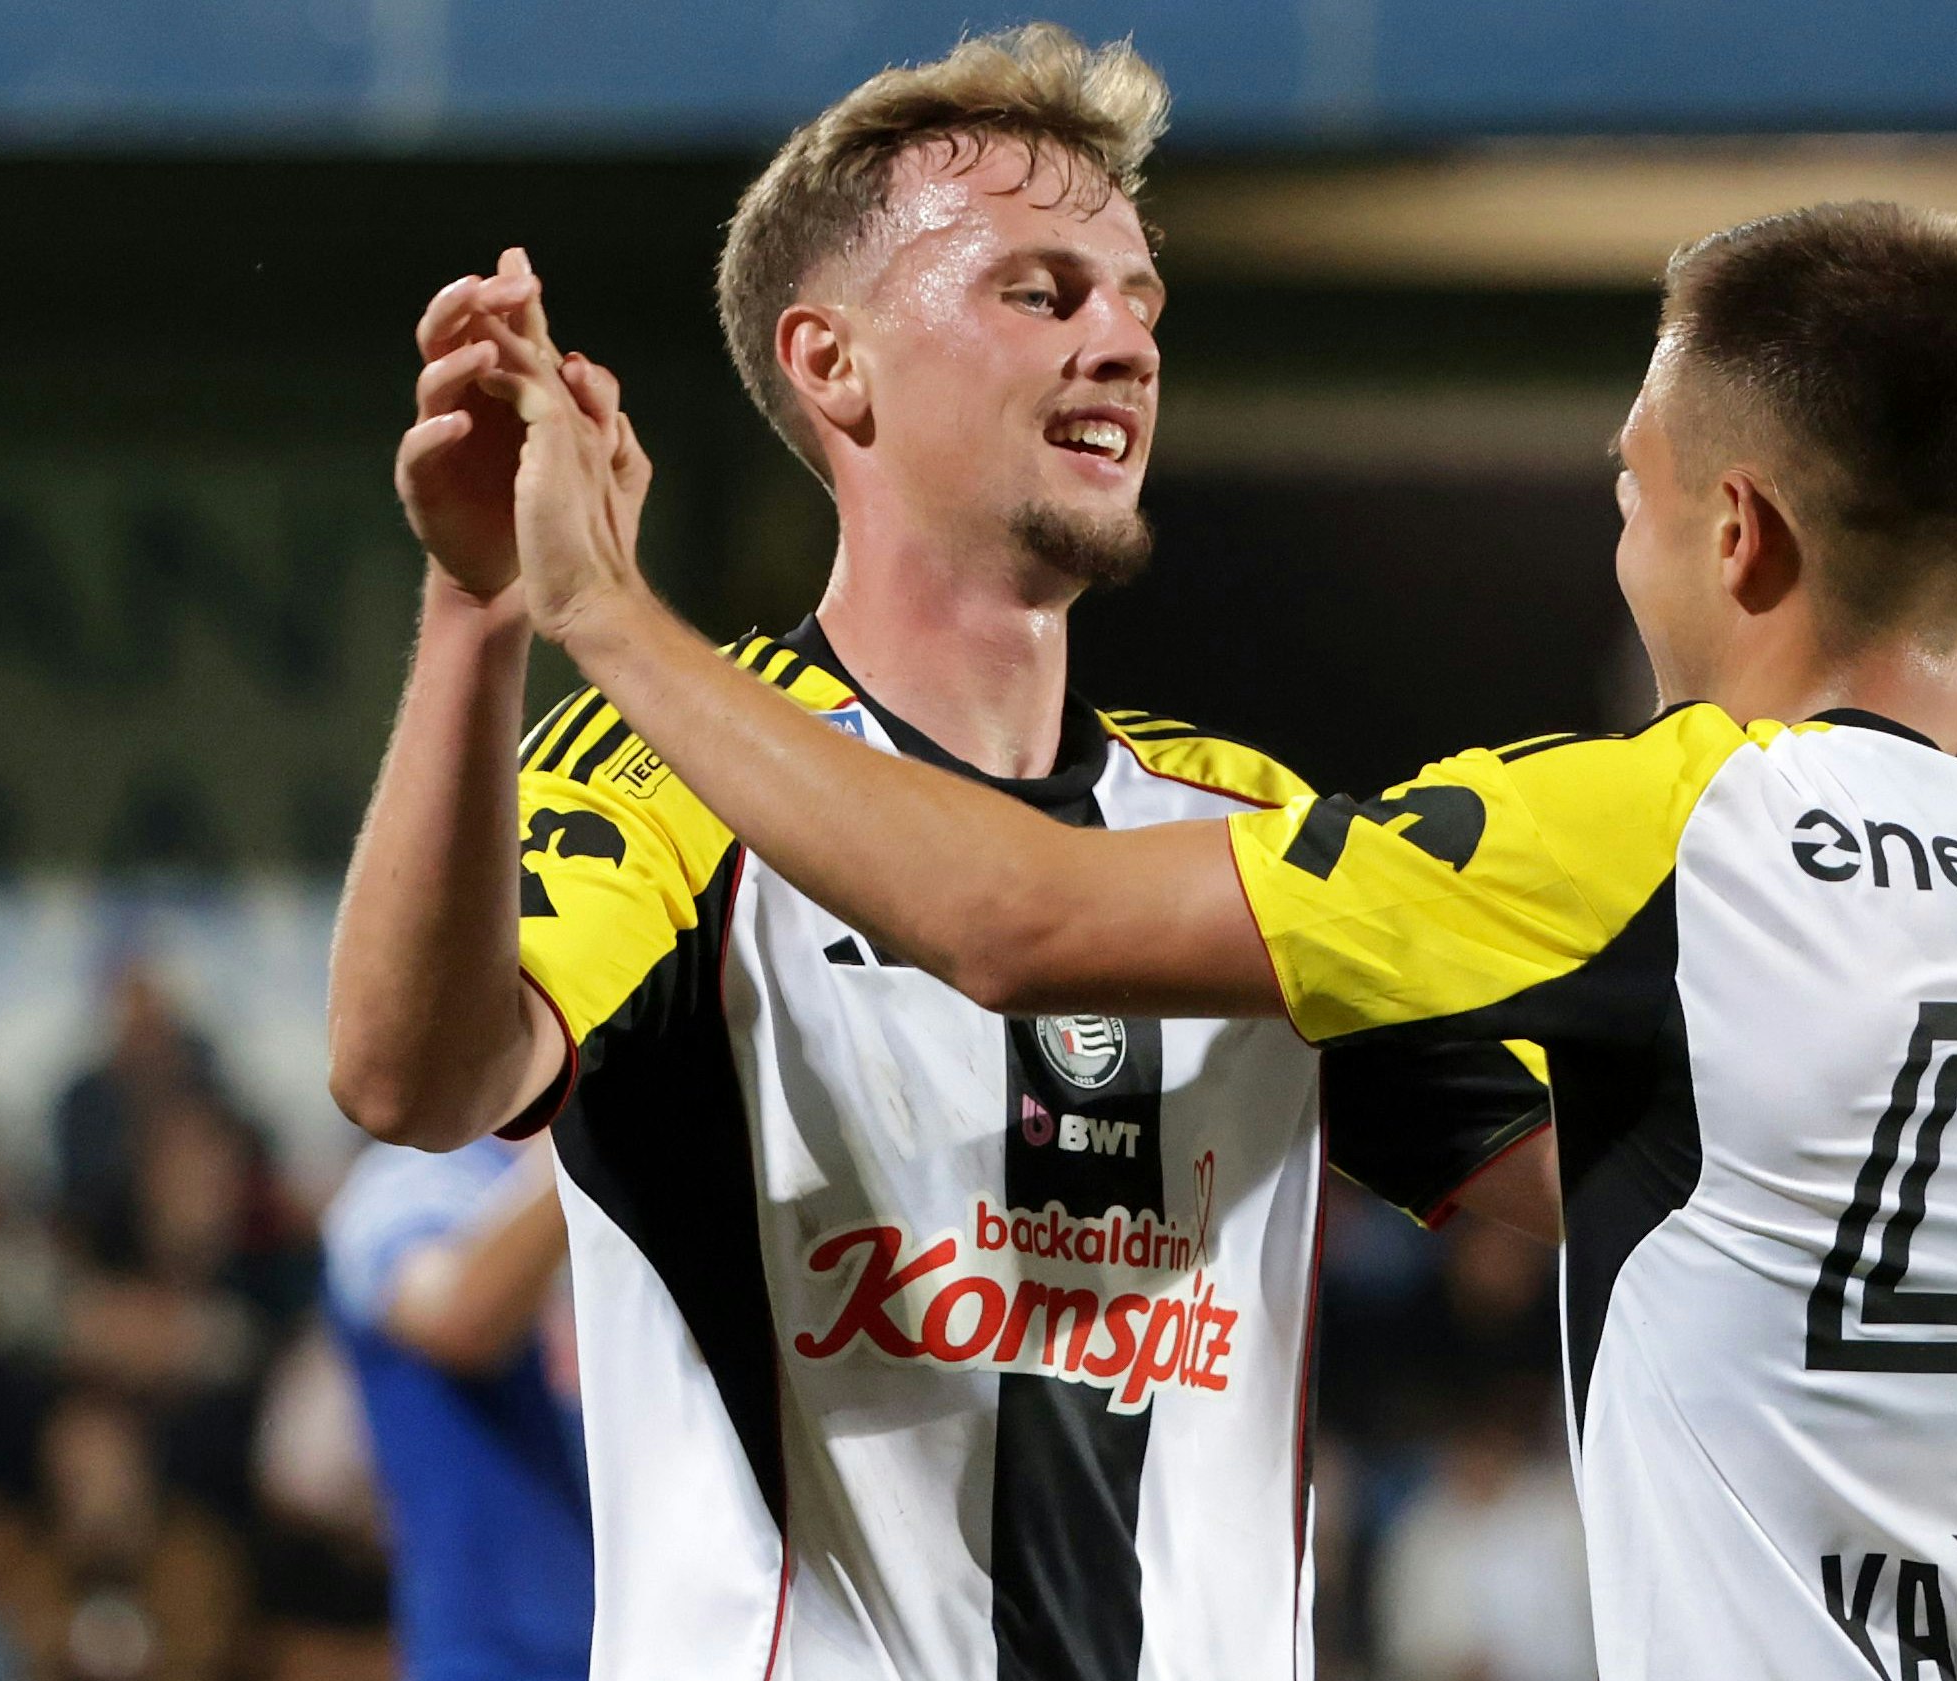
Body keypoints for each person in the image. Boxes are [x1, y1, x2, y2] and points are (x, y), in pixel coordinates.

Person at [475, 196, 1957, 1677]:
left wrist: (601, 611)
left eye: (1627, 495)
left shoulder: (1675, 821)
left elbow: (1009, 916)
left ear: (1737, 533)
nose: (1620, 549)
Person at [324, 25, 1552, 1679]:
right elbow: (414, 1079)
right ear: (832, 365)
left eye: (1137, 302)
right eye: (1040, 293)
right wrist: (481, 613)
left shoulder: (1248, 833)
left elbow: (1589, 1189)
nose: (1121, 342)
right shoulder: (666, 769)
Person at [321, 1136, 586, 1681]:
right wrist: (586, 1139)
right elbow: (459, 1320)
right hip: (499, 1655)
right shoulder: (408, 1180)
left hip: (682, 1634)